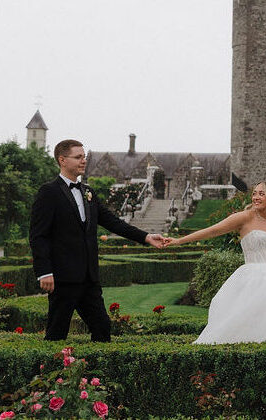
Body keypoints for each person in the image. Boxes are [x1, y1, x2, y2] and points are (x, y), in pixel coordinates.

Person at [30, 139, 165, 342]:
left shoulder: (88, 192)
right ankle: (48, 372)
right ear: (62, 160)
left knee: (102, 328)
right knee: (56, 333)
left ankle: (96, 372)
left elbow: (113, 222)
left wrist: (145, 237)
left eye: (84, 157)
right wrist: (44, 271)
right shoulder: (49, 192)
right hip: (63, 278)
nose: (83, 161)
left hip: (89, 278)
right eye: (78, 157)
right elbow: (38, 235)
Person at [164, 181, 266, 344]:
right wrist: (179, 241)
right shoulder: (244, 217)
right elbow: (213, 230)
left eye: (261, 194)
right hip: (252, 280)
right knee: (242, 326)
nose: (255, 197)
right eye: (254, 193)